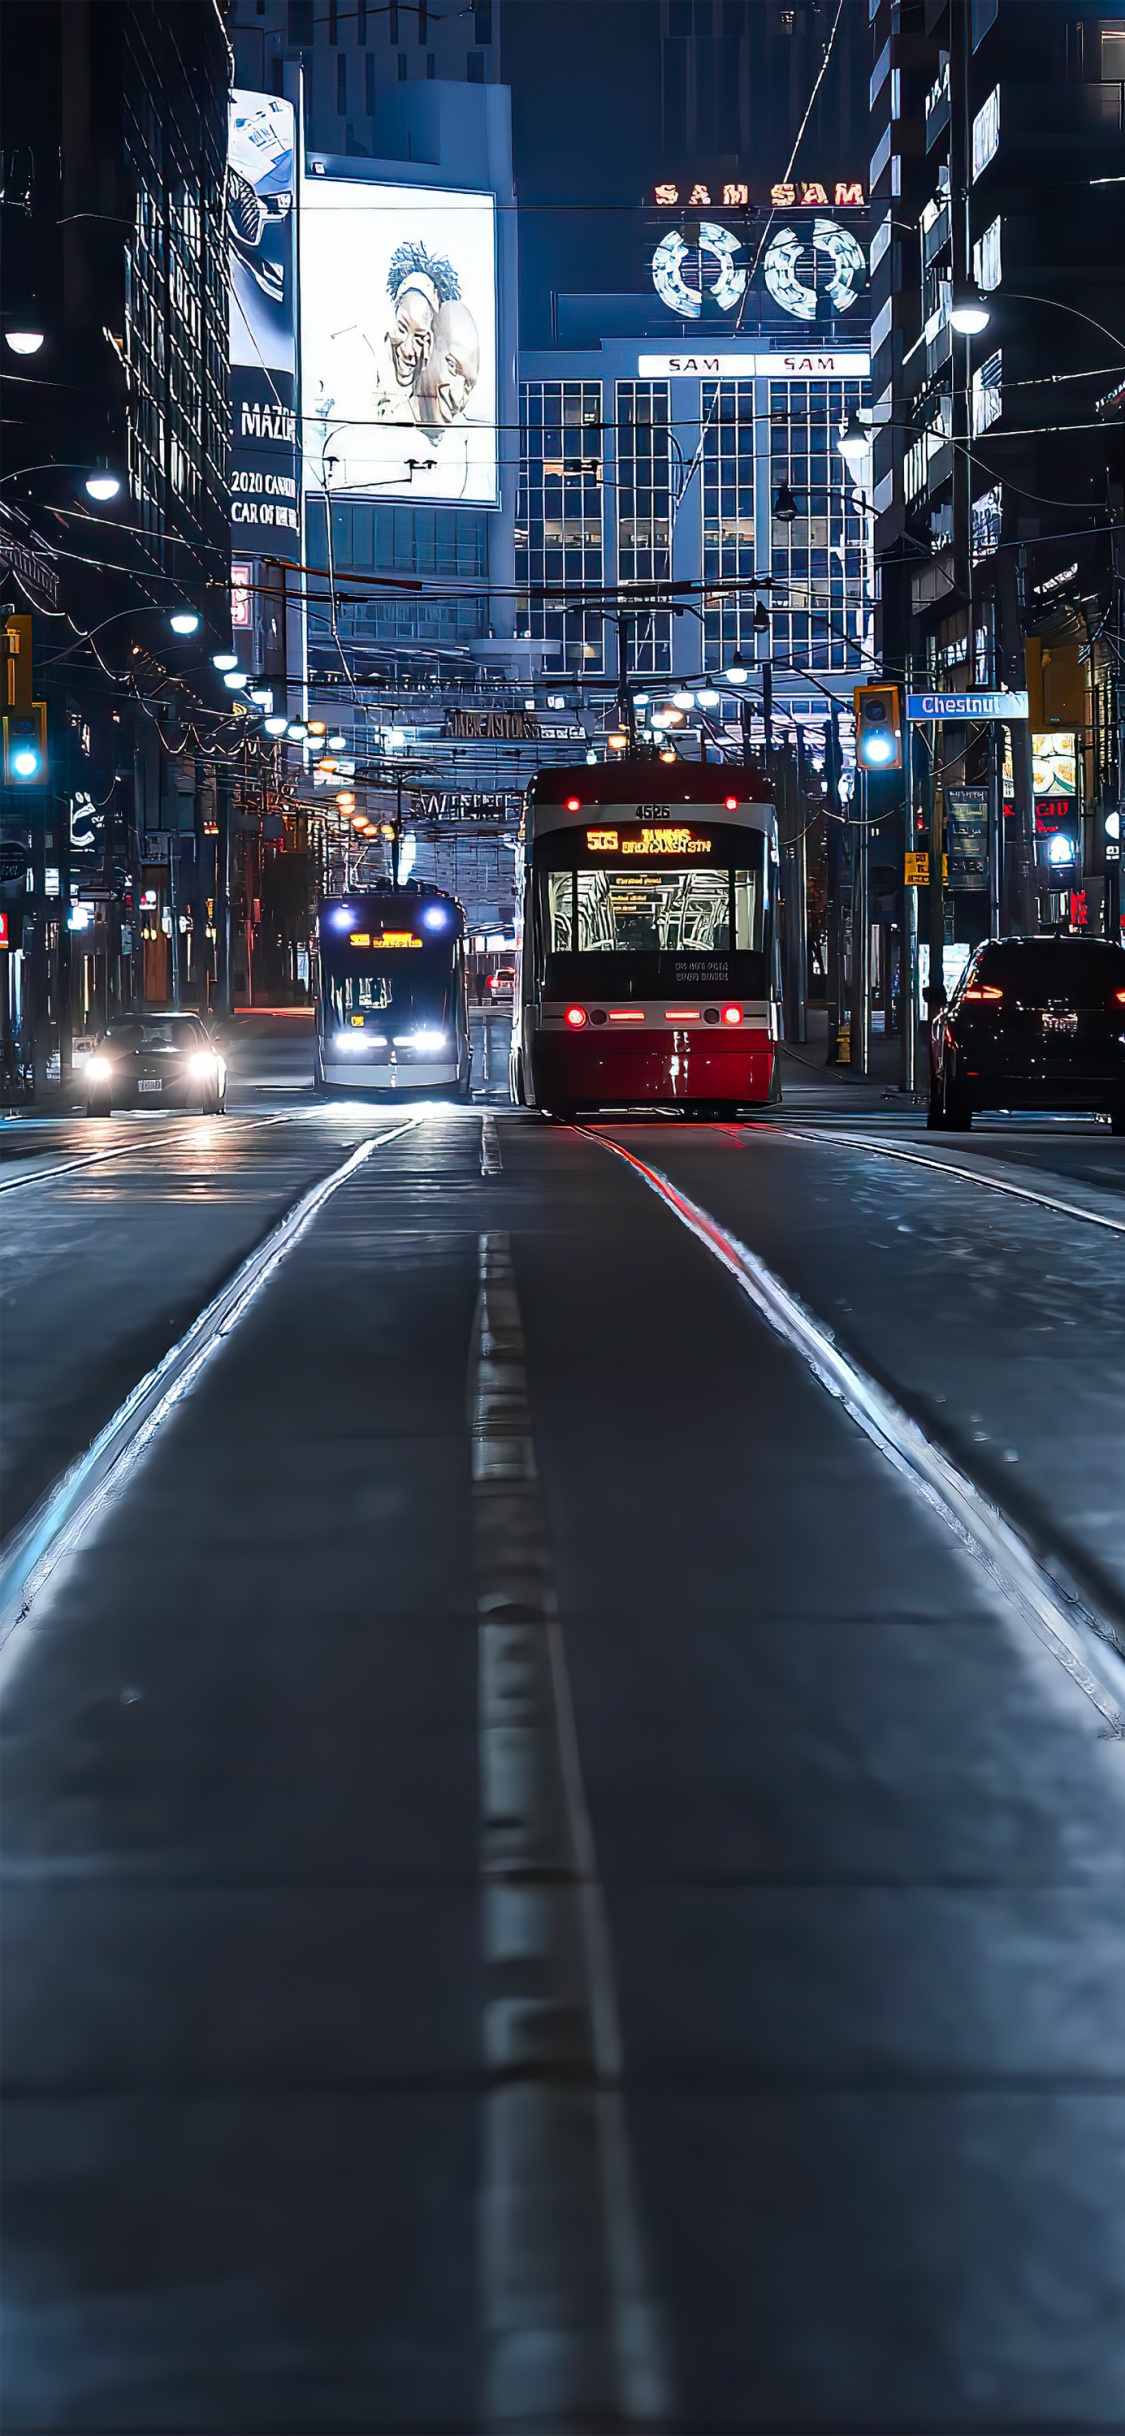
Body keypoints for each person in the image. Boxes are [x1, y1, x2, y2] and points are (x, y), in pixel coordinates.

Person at [411, 299, 480, 438]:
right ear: (428, 347)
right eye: (452, 367)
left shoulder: (466, 440)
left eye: (468, 385)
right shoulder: (383, 428)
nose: (458, 399)